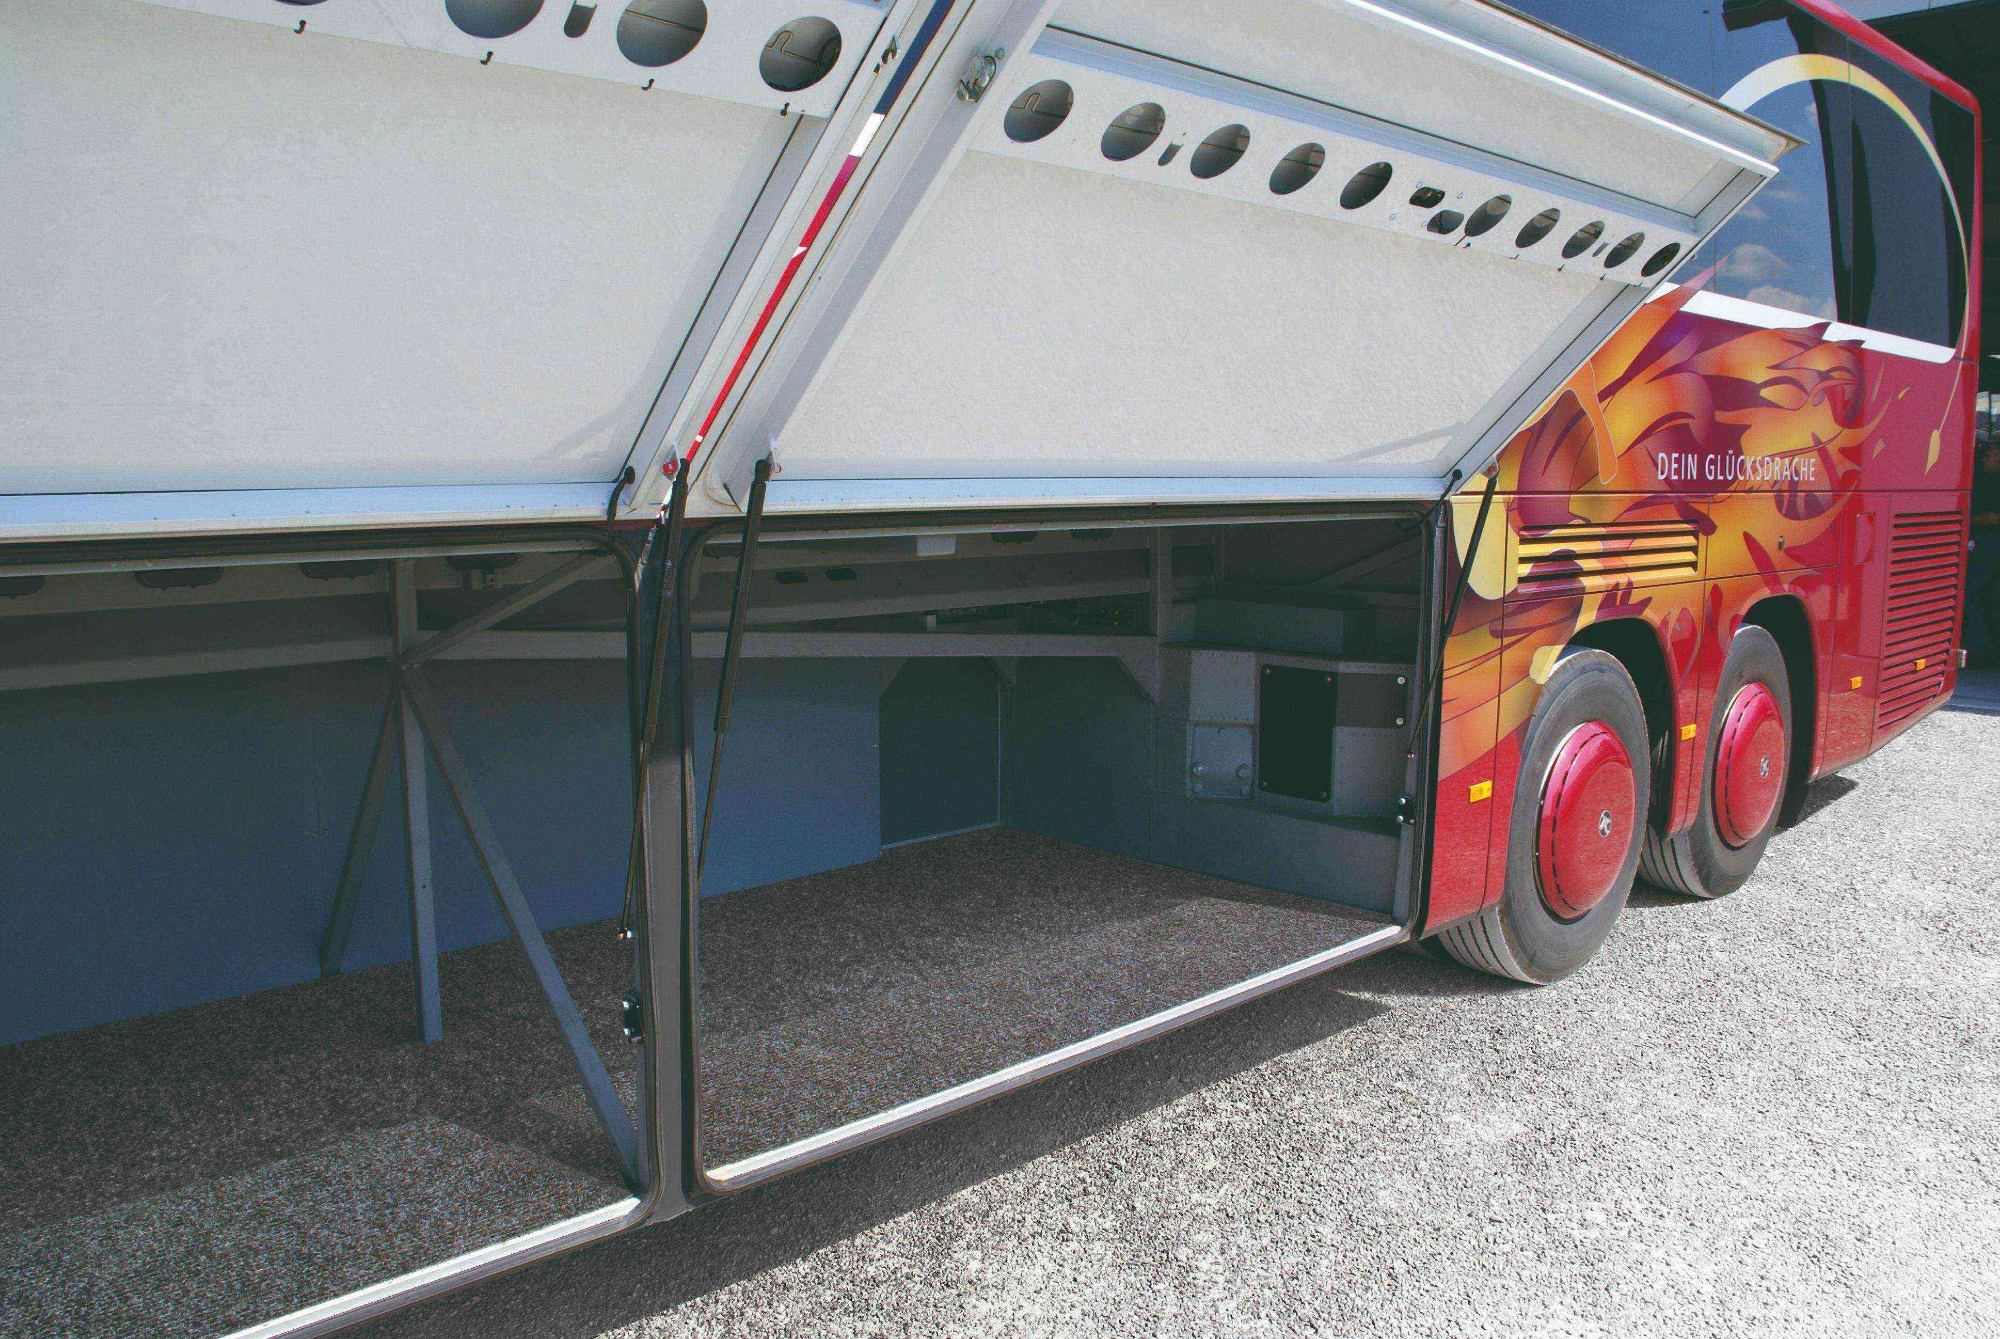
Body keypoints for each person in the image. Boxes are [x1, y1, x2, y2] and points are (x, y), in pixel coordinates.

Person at [1968, 425, 2000, 669]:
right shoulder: (1980, 477)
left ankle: (1981, 649)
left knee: (1972, 593)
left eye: (1991, 450)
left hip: (1987, 545)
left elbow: (1991, 518)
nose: (1986, 454)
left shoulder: (1988, 480)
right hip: (1983, 544)